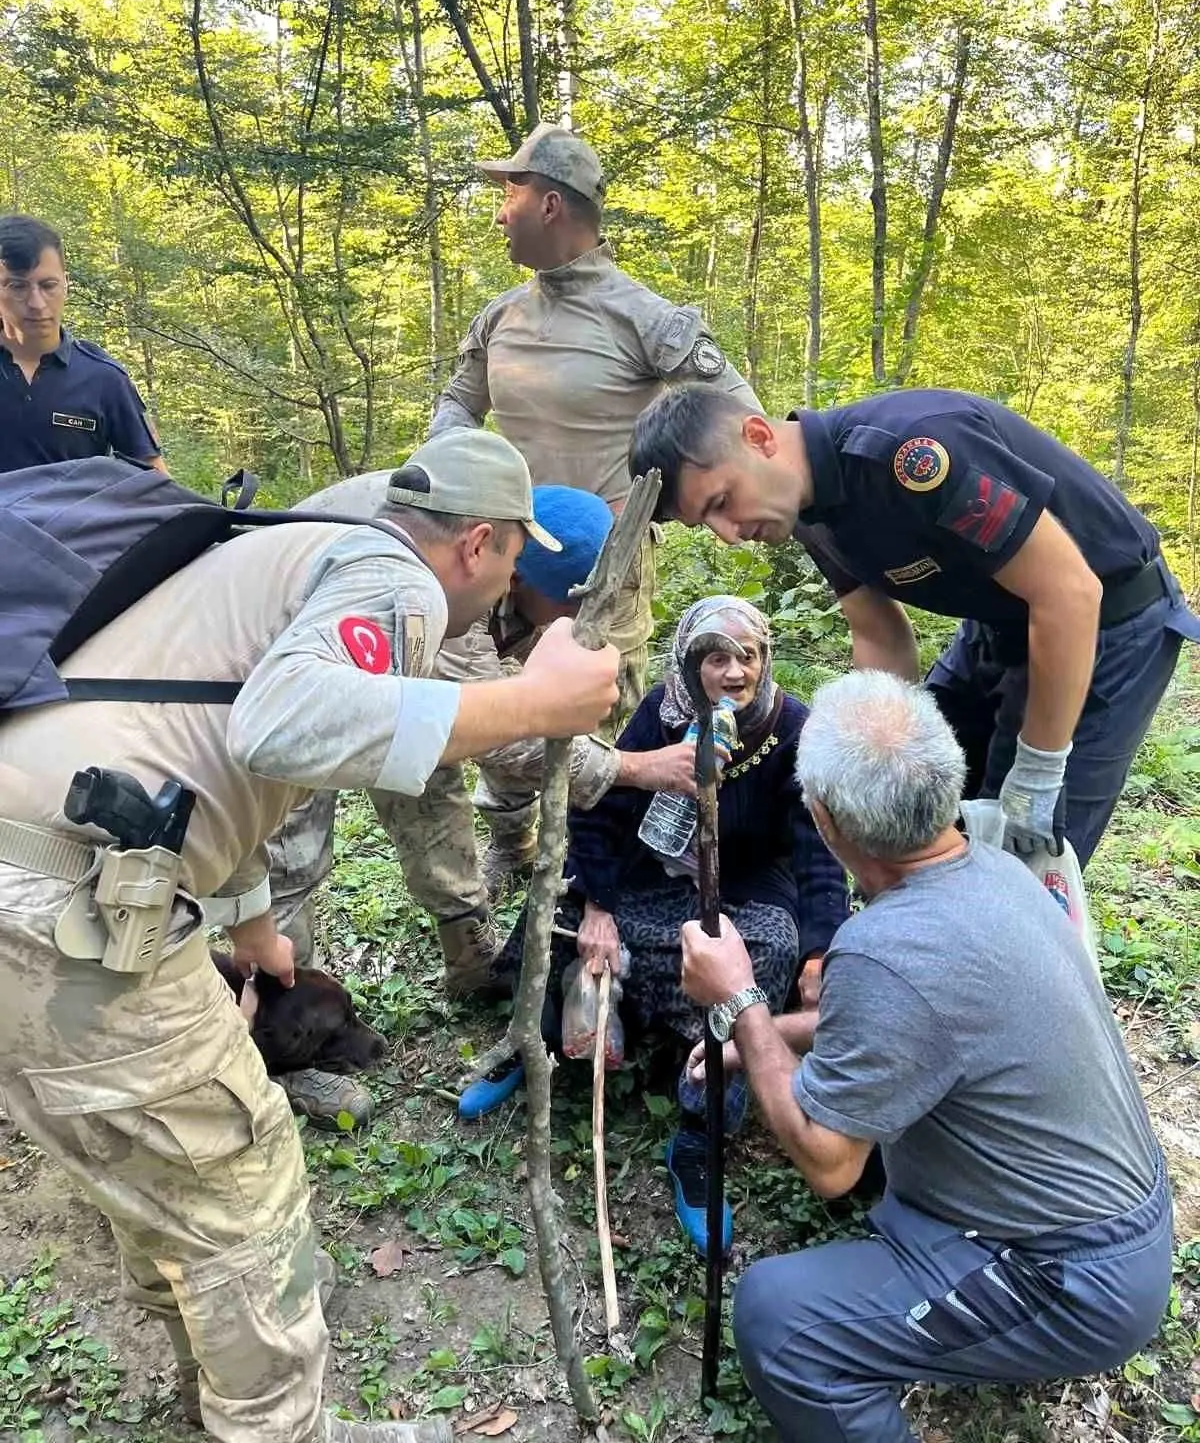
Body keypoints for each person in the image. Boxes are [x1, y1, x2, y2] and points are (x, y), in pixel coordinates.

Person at [0, 428, 619, 1443]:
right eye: (513, 556)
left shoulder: (290, 545)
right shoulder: (396, 580)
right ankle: (276, 1417)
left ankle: (216, 1364)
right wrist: (529, 702)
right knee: (243, 1193)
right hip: (62, 913)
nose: (508, 582)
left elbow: (199, 731)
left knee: (149, 1161)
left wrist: (246, 917)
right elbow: (281, 724)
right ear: (478, 542)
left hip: (38, 877)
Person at [681, 671, 1172, 1443]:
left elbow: (828, 1162)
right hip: (1112, 1220)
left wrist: (740, 1000)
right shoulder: (995, 870)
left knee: (780, 1320)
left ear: (826, 819)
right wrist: (765, 1039)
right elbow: (911, 1017)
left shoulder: (887, 949)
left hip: (1073, 1277)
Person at [266, 478, 697, 1128]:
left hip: (384, 672)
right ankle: (292, 1048)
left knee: (429, 782)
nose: (568, 624)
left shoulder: (506, 536)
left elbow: (460, 726)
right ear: (518, 574)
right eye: (566, 607)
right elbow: (501, 738)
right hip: (284, 685)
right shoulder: (444, 586)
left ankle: (470, 959)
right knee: (289, 855)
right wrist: (632, 767)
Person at [629, 382, 1200, 866]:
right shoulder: (805, 512)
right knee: (913, 806)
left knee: (1024, 855)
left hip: (1108, 627)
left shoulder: (912, 454)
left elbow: (1070, 593)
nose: (729, 532)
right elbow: (879, 632)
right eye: (707, 522)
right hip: (998, 625)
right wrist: (864, 746)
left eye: (723, 500)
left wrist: (1041, 767)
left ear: (759, 437)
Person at [430, 122, 760, 884]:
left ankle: (594, 867)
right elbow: (457, 404)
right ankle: (510, 847)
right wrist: (448, 473)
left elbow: (741, 422)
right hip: (500, 557)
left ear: (551, 204)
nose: (498, 209)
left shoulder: (645, 319)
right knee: (499, 700)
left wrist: (672, 504)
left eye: (509, 192)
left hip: (605, 563)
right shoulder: (500, 316)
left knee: (601, 710)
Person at [477, 597, 849, 1256]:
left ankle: (700, 1132)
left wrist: (821, 954)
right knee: (556, 906)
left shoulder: (793, 730)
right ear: (687, 659)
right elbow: (598, 809)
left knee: (771, 948)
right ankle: (534, 1036)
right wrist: (597, 905)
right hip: (650, 875)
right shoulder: (662, 712)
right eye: (715, 656)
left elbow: (819, 855)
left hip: (737, 889)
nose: (735, 672)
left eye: (749, 656)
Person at [0, 214, 166, 473]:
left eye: (48, 285)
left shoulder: (104, 379)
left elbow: (156, 485)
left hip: (76, 514)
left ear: (66, 283)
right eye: (17, 286)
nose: (37, 303)